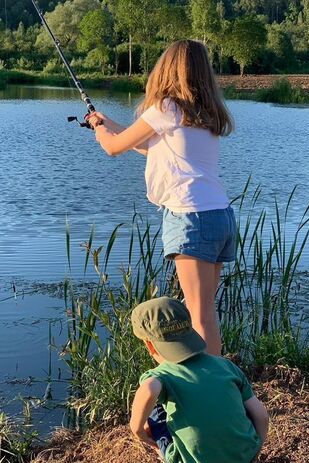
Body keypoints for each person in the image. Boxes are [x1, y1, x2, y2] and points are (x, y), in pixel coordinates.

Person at [87, 40, 235, 356]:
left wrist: (98, 129)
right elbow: (152, 147)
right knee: (206, 312)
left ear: (166, 70)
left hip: (190, 217)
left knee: (198, 314)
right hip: (220, 215)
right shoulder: (205, 113)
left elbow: (114, 147)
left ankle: (207, 392)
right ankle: (218, 384)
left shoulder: (166, 107)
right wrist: (108, 123)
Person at [129, 297, 269, 463]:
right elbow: (262, 416)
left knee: (154, 409)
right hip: (243, 462)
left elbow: (148, 390)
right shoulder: (226, 366)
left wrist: (137, 430)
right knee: (238, 401)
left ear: (149, 345)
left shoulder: (160, 376)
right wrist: (253, 455)